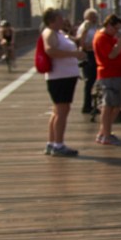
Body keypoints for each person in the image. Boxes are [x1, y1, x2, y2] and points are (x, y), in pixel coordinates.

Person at [40, 8, 86, 156]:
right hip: (59, 78)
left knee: (58, 111)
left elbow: (76, 41)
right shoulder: (50, 33)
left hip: (64, 77)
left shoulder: (58, 33)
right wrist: (74, 54)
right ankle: (58, 146)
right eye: (60, 19)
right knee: (62, 112)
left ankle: (52, 143)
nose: (63, 21)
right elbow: (50, 51)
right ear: (52, 20)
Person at [92, 14, 121, 146]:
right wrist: (120, 39)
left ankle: (104, 132)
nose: (117, 32)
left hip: (116, 75)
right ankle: (106, 135)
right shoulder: (101, 38)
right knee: (108, 106)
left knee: (116, 105)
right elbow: (112, 55)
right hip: (109, 75)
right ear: (108, 26)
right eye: (116, 29)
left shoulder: (110, 37)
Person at [74, 8, 100, 115]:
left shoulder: (92, 27)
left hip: (93, 55)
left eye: (95, 16)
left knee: (93, 81)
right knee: (90, 81)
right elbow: (82, 43)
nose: (95, 18)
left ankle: (91, 105)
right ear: (87, 17)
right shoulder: (85, 27)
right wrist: (94, 46)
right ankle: (87, 106)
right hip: (89, 56)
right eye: (93, 16)